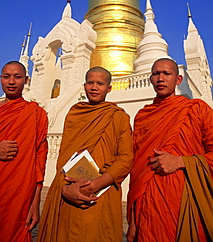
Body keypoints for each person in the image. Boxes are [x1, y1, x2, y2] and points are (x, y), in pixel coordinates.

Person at [37, 66, 133, 242]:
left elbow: (126, 159)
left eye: (100, 84)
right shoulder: (74, 114)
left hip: (101, 193)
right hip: (69, 190)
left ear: (109, 88)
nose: (94, 87)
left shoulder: (118, 117)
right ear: (84, 86)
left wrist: (93, 186)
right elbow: (64, 157)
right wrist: (65, 189)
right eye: (90, 83)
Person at [127, 58, 213, 242]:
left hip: (185, 199)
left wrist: (182, 161)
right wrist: (133, 219)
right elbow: (137, 169)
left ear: (178, 80)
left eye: (166, 73)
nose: (160, 78)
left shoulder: (197, 110)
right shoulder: (143, 116)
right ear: (150, 79)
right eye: (156, 74)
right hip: (147, 205)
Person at [0, 61, 48, 242]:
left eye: (17, 77)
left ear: (26, 80)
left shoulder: (36, 113)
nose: (11, 81)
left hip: (21, 192)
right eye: (7, 76)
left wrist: (35, 203)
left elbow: (39, 160)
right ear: (0, 80)